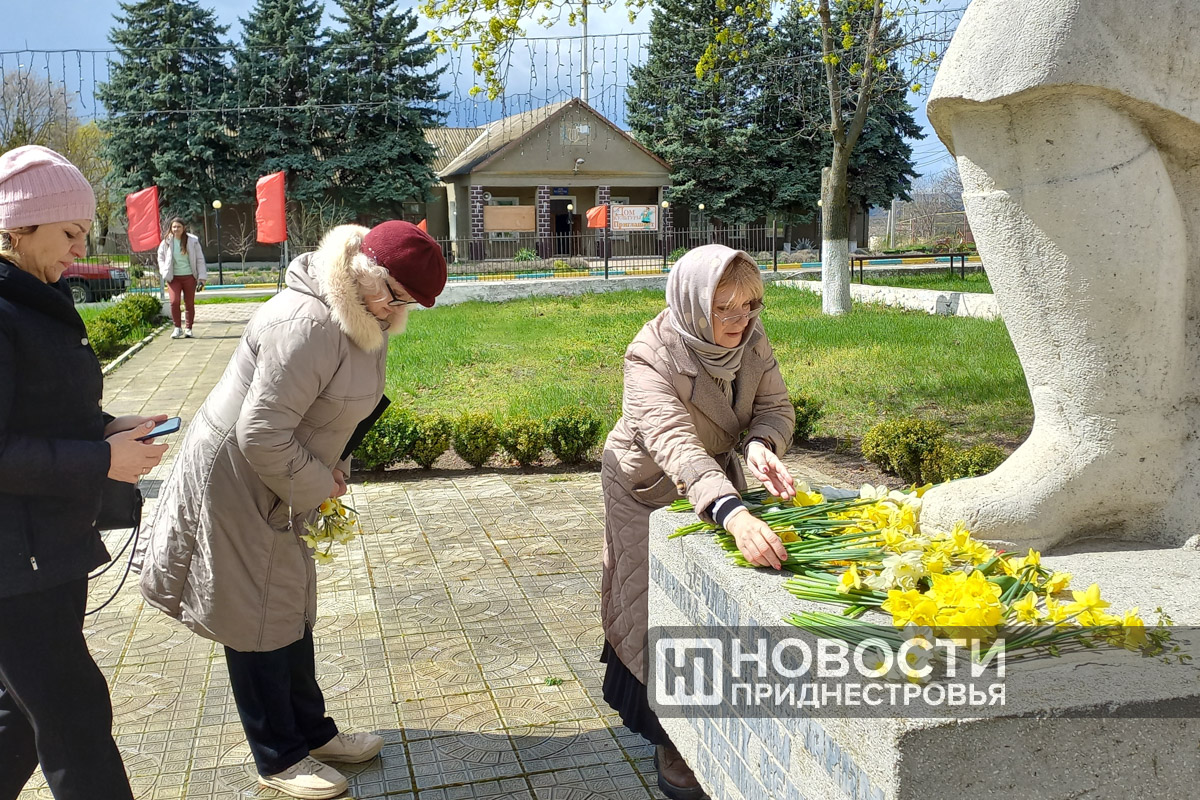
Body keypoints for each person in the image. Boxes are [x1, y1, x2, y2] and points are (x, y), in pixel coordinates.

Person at [137, 220, 447, 800]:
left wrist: (333, 472)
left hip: (283, 475)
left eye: (406, 303)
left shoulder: (362, 316)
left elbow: (338, 414)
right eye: (396, 295)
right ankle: (277, 756)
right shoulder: (307, 324)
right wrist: (319, 483)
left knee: (289, 608)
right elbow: (260, 433)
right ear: (365, 270)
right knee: (255, 619)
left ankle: (311, 732)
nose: (394, 311)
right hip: (237, 481)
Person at [0, 145, 169, 800]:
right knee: (75, 720)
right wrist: (104, 460)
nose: (80, 248)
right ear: (19, 227)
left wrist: (106, 428)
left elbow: (40, 410)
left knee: (22, 719)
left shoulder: (35, 297)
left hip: (45, 550)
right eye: (69, 231)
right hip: (16, 564)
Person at [600, 244, 796, 800]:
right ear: (691, 302)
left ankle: (710, 716)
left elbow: (775, 407)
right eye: (724, 308)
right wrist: (733, 511)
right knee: (650, 605)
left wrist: (760, 446)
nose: (740, 321)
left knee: (704, 601)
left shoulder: (752, 339)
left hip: (717, 483)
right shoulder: (649, 353)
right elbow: (674, 443)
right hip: (648, 487)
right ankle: (669, 740)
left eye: (750, 305)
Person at [156, 216, 206, 339]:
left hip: (189, 277)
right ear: (171, 228)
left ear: (184, 228)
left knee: (189, 303)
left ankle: (189, 329)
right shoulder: (166, 242)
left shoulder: (192, 241)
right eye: (174, 227)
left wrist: (202, 278)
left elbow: (200, 259)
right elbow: (160, 257)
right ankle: (177, 328)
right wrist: (163, 271)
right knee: (174, 302)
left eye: (178, 227)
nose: (176, 229)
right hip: (173, 278)